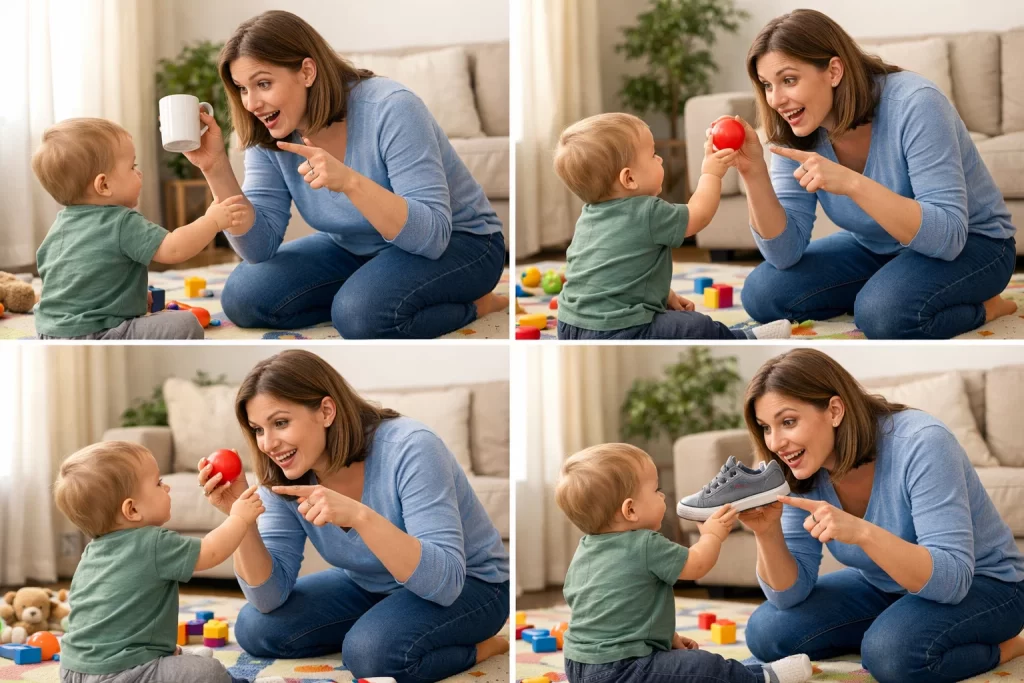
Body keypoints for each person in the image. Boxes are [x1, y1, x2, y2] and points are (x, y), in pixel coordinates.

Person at [178, 10, 507, 339]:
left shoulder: (391, 107)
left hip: (461, 242)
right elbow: (258, 248)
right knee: (244, 297)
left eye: (263, 84)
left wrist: (350, 182)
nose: (252, 103)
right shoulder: (269, 130)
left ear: (307, 71)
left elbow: (431, 237)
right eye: (242, 89)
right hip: (357, 247)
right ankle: (371, 290)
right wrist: (214, 166)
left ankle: (478, 304)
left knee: (359, 317)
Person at [197, 349, 509, 682]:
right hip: (371, 583)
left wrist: (360, 516)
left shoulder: (411, 447)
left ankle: (482, 648)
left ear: (326, 411)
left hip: (472, 585)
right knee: (255, 627)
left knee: (369, 654)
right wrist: (239, 518)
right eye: (258, 429)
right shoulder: (281, 474)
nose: (269, 444)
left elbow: (444, 583)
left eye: (281, 423)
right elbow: (268, 597)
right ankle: (386, 623)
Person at [722, 9, 1016, 339]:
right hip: (880, 248)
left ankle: (987, 307)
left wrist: (851, 183)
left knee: (881, 315)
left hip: (974, 245)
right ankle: (890, 288)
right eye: (766, 85)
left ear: (834, 71)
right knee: (763, 293)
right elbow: (784, 253)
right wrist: (754, 173)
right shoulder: (795, 128)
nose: (776, 100)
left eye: (788, 80)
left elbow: (947, 237)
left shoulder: (915, 103)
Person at [739, 348, 1024, 683]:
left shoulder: (922, 442)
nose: (776, 443)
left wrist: (861, 532)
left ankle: (1007, 647)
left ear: (834, 410)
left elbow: (952, 580)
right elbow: (789, 595)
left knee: (889, 655)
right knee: (766, 631)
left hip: (984, 583)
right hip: (888, 585)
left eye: (788, 422)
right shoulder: (801, 468)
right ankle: (902, 624)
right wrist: (766, 532)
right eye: (765, 428)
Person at [554, 442, 813, 683]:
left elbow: (615, 613)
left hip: (578, 666)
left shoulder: (585, 550)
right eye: (656, 490)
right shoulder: (645, 543)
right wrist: (712, 535)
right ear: (630, 510)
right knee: (703, 666)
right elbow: (696, 565)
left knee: (677, 666)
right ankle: (761, 677)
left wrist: (668, 638)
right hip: (624, 668)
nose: (663, 496)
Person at [552, 113, 792, 341]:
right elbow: (697, 216)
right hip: (619, 330)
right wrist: (711, 174)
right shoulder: (647, 211)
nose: (660, 159)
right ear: (629, 179)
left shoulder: (588, 218)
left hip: (569, 326)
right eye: (653, 154)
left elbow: (613, 274)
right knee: (696, 326)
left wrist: (665, 296)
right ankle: (742, 338)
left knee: (675, 319)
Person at [53, 441, 263, 683]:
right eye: (158, 483)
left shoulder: (91, 553)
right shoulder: (152, 542)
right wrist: (239, 517)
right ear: (131, 510)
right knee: (211, 671)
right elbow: (211, 551)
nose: (167, 487)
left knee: (179, 660)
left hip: (71, 671)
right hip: (123, 674)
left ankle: (174, 660)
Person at [31, 118, 247, 340]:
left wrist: (131, 297)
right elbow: (174, 249)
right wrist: (212, 221)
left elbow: (80, 282)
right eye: (132, 166)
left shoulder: (58, 227)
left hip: (48, 332)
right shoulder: (121, 221)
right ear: (103, 185)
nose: (139, 173)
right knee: (186, 323)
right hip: (98, 336)